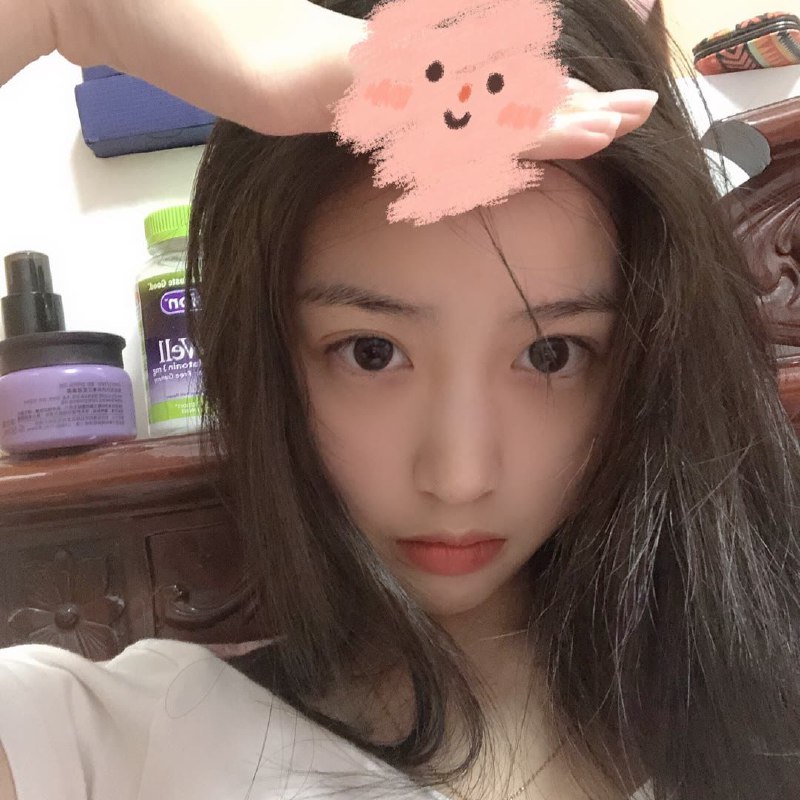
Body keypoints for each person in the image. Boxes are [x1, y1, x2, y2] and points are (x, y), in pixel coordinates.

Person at [1, 2, 799, 800]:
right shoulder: (119, 744)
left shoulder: (764, 709)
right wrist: (69, 11)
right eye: (372, 352)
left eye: (550, 354)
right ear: (268, 355)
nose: (459, 477)